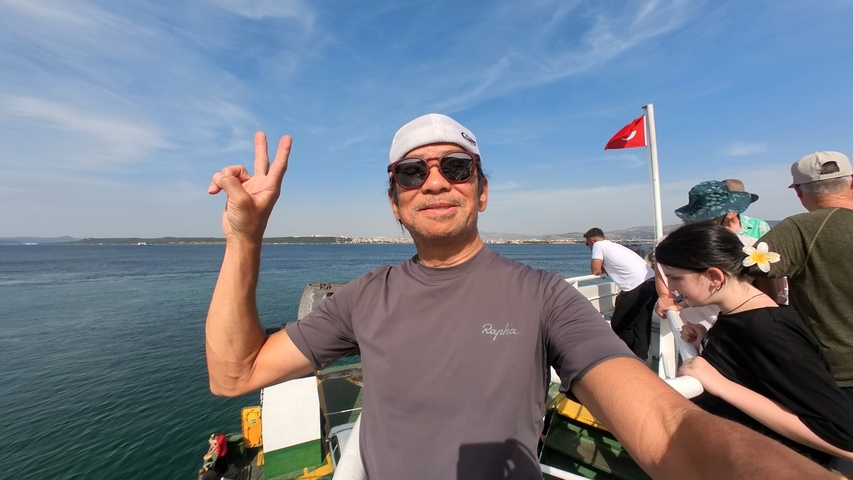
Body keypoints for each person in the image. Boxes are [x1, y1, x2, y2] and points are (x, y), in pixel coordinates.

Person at [205, 113, 837, 479]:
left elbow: (663, 423)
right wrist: (244, 236)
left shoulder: (544, 297)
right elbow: (235, 373)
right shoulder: (364, 296)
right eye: (411, 173)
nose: (435, 182)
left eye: (457, 168)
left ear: (482, 191)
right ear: (395, 201)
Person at [655, 222, 853, 469]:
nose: (672, 288)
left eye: (676, 278)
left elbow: (843, 436)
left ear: (714, 277)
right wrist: (705, 340)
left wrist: (721, 385)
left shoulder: (768, 331)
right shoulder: (737, 316)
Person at [753, 151, 853, 475]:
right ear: (852, 183)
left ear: (798, 192)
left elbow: (751, 266)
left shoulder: (800, 228)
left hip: (834, 372)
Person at [653, 180, 757, 327]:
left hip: (691, 330)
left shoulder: (667, 247)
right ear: (727, 214)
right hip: (741, 329)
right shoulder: (749, 246)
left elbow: (666, 296)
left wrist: (681, 303)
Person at [583, 228, 657, 360]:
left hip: (635, 286)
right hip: (651, 283)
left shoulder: (598, 245)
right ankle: (640, 359)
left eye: (587, 244)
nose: (588, 247)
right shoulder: (615, 246)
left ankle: (627, 354)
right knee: (641, 325)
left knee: (619, 325)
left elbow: (595, 270)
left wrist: (601, 267)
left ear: (592, 241)